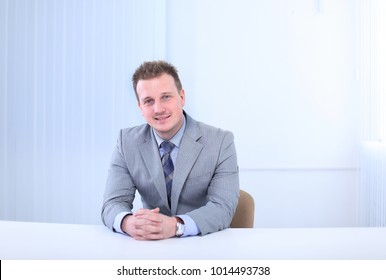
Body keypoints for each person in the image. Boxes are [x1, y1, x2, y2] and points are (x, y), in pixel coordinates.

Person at [101, 60, 239, 240]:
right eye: (148, 101)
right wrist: (129, 223)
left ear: (182, 97)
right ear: (140, 107)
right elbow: (112, 204)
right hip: (151, 249)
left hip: (204, 245)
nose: (158, 109)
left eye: (166, 97)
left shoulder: (220, 142)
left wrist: (176, 226)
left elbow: (222, 207)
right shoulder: (127, 142)